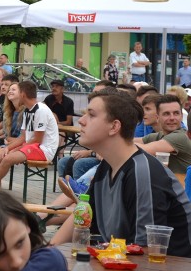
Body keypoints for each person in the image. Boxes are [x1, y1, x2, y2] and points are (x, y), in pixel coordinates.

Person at [50, 88, 191, 258]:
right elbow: (80, 216)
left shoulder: (142, 173)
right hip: (125, 266)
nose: (82, 121)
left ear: (114, 126)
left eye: (92, 115)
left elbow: (144, 251)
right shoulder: (107, 167)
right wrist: (46, 253)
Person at [0, 81, 59, 187]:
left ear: (22, 94)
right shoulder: (27, 110)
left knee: (7, 159)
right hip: (33, 146)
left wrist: (17, 150)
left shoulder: (41, 110)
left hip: (44, 150)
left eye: (16, 91)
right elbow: (23, 137)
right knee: (0, 155)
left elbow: (37, 140)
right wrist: (8, 148)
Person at [136, 94, 191, 174]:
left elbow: (140, 149)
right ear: (157, 117)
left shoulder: (181, 137)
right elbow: (132, 142)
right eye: (166, 114)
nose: (172, 118)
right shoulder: (160, 135)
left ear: (181, 116)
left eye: (176, 113)